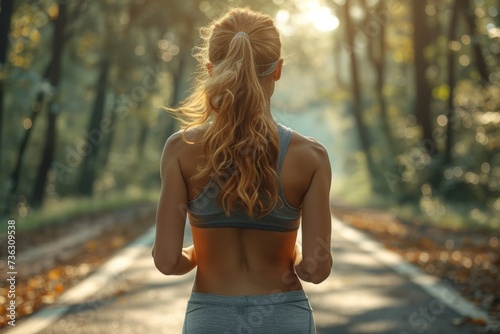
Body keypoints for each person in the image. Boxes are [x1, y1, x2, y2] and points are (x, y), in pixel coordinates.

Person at [152, 7, 332, 333]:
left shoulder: (181, 150)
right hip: (284, 318)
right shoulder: (311, 156)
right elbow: (316, 270)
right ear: (277, 70)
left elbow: (166, 261)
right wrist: (294, 250)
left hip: (210, 319)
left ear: (210, 70)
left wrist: (195, 253)